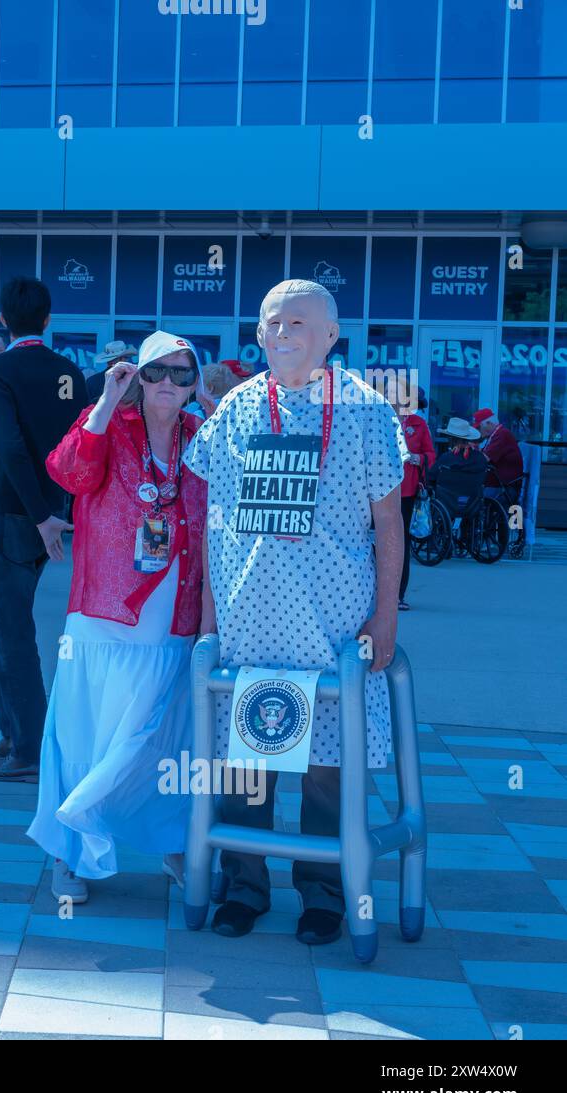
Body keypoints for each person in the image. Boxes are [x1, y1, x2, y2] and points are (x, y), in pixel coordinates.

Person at [183, 279, 407, 947]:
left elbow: (390, 523)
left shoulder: (367, 412)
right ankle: (246, 884)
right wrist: (208, 616)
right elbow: (212, 523)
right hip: (251, 627)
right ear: (256, 334)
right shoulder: (236, 409)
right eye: (273, 321)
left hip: (333, 627)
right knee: (244, 768)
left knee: (327, 774)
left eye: (299, 322)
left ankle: (323, 892)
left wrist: (387, 615)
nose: (283, 332)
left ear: (332, 336)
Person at [30, 331, 208, 902]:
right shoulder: (107, 422)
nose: (168, 385)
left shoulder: (201, 435)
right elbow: (69, 473)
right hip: (105, 613)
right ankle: (68, 853)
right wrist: (107, 401)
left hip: (172, 614)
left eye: (182, 375)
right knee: (87, 734)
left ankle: (173, 845)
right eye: (157, 372)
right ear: (137, 376)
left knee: (164, 741)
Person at [0, 277, 86, 784]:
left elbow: (10, 448)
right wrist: (58, 509)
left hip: (15, 513)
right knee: (4, 627)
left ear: (4, 320)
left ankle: (27, 746)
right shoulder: (69, 371)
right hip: (52, 512)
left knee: (9, 631)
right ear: (47, 320)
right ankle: (14, 731)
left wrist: (40, 515)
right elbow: (75, 446)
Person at [396, 387, 435, 611]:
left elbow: (431, 455)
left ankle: (398, 595)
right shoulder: (382, 420)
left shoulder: (419, 425)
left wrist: (417, 458)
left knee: (401, 543)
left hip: (407, 491)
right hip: (378, 490)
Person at [473, 407, 524, 497]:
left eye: (479, 428)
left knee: (472, 498)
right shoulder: (496, 435)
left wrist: (474, 444)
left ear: (489, 423)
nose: (478, 431)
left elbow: (483, 459)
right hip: (498, 485)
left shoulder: (502, 434)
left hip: (503, 489)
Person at [84, 340, 136, 405]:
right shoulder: (132, 379)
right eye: (126, 357)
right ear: (121, 359)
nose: (128, 360)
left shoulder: (91, 381)